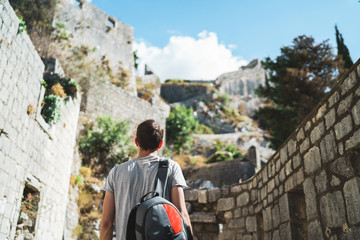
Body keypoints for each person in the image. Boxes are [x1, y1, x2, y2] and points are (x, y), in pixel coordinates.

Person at [100, 119, 193, 240]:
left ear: (136, 142)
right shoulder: (171, 168)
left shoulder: (116, 172)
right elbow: (182, 213)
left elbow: (106, 224)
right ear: (160, 144)